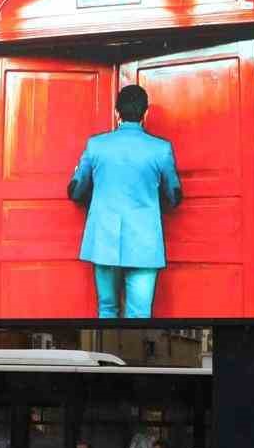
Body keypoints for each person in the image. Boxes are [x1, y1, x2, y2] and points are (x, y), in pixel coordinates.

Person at [67, 84, 183, 319]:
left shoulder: (96, 145)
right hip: (145, 241)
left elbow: (76, 191)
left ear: (116, 112)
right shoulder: (161, 149)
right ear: (145, 113)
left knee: (107, 309)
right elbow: (174, 195)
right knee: (139, 314)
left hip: (104, 239)